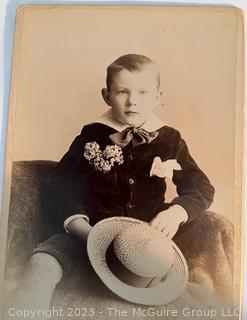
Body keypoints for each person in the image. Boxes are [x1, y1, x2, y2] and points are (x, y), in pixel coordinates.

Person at [9, 54, 215, 309]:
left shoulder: (170, 139)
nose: (132, 101)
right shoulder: (92, 135)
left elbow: (201, 187)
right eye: (122, 92)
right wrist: (80, 227)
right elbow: (59, 184)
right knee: (44, 261)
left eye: (142, 92)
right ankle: (26, 311)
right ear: (107, 96)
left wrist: (176, 212)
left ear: (158, 97)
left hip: (145, 242)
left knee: (194, 271)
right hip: (94, 230)